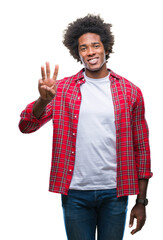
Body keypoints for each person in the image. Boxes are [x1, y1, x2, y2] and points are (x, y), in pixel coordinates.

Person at [19, 14, 153, 240]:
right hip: (75, 195)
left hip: (115, 193)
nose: (90, 52)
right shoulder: (61, 90)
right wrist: (43, 100)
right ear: (77, 52)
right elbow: (26, 125)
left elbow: (142, 149)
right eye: (84, 48)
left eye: (95, 45)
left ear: (105, 47)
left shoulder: (131, 92)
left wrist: (141, 202)